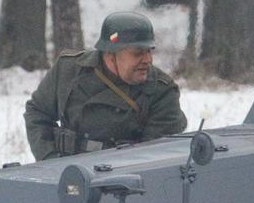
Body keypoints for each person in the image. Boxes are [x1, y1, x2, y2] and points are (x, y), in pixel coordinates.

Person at [24, 12, 186, 159]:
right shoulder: (69, 70)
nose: (147, 60)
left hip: (123, 183)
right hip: (66, 172)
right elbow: (37, 112)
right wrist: (49, 159)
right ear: (110, 54)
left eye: (149, 51)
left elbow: (152, 159)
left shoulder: (162, 92)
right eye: (138, 53)